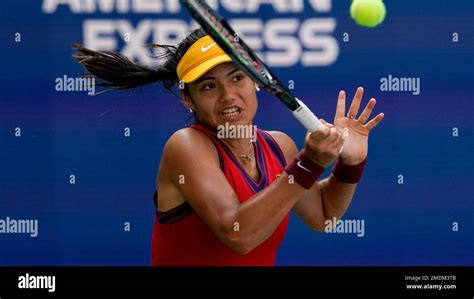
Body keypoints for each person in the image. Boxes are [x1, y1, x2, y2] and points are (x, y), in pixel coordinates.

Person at [74, 28, 384, 266]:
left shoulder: (280, 146)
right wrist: (310, 163)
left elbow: (323, 215)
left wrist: (351, 163)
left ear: (256, 82)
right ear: (187, 98)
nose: (228, 95)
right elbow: (238, 233)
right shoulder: (186, 146)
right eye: (208, 86)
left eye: (237, 78)